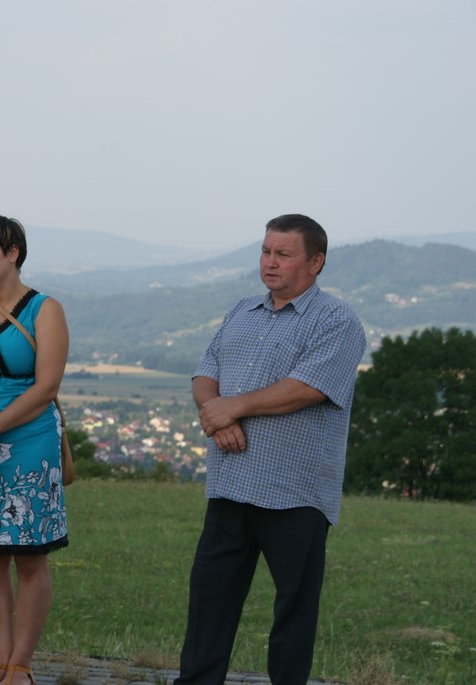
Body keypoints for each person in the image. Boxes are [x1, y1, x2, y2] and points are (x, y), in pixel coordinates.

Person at [175, 214, 366, 685]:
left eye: (283, 254)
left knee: (294, 610)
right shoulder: (241, 311)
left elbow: (309, 388)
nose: (270, 262)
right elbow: (205, 372)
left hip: (295, 491)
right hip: (231, 482)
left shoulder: (337, 320)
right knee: (209, 599)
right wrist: (217, 415)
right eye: (265, 251)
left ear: (315, 262)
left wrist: (231, 408)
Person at [0, 215, 69, 685]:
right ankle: (2, 661)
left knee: (30, 555)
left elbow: (46, 387)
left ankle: (22, 664)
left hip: (30, 441)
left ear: (12, 253)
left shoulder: (45, 310)